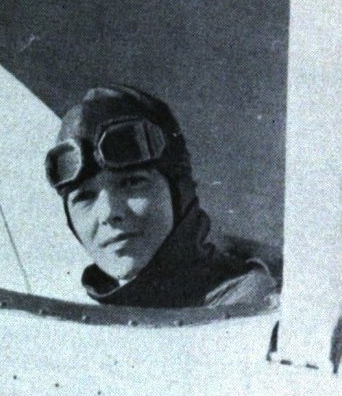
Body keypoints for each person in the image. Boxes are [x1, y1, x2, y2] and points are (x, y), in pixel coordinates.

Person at [45, 84, 278, 308]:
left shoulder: (259, 304)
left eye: (131, 183)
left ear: (179, 192)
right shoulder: (90, 321)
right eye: (84, 197)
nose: (108, 213)